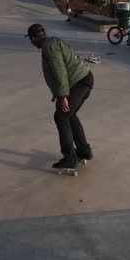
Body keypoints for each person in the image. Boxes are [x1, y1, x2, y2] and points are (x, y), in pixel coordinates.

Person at [25, 24, 94, 170]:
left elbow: (59, 70)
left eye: (31, 40)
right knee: (69, 115)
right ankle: (84, 151)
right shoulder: (52, 42)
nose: (32, 43)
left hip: (79, 82)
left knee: (61, 116)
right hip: (83, 79)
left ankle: (70, 158)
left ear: (33, 38)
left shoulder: (49, 47)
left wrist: (63, 95)